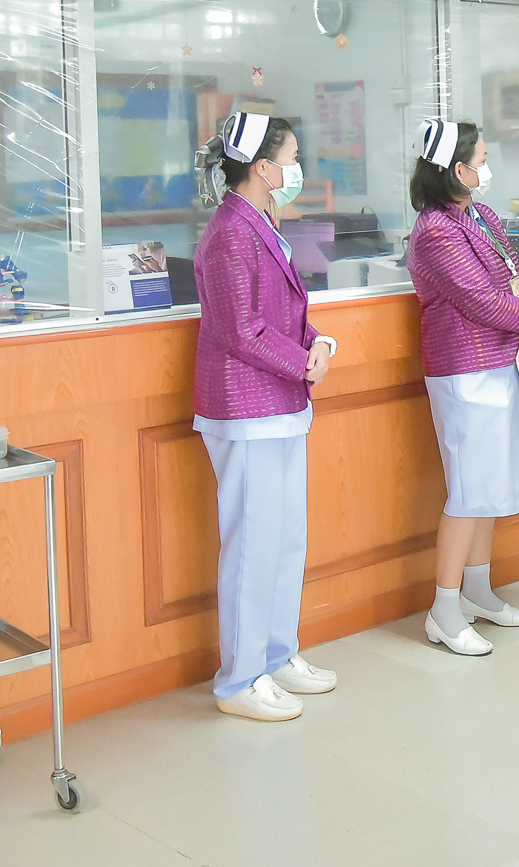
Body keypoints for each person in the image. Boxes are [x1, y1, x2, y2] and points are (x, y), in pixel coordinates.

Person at [191, 112, 338, 721]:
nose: (297, 169)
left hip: (280, 404)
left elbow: (283, 311)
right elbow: (241, 329)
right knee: (252, 544)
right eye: (292, 158)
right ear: (262, 167)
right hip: (246, 408)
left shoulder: (263, 224)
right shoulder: (230, 232)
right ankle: (238, 680)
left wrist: (318, 341)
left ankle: (276, 654)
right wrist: (304, 362)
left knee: (284, 539)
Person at [406, 117, 519, 656]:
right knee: (468, 491)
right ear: (457, 170)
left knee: (490, 487)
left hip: (503, 365)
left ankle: (477, 592)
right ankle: (444, 611)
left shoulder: (481, 214)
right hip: (464, 371)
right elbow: (481, 301)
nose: (487, 168)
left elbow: (518, 280)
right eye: (481, 160)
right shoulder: (435, 230)